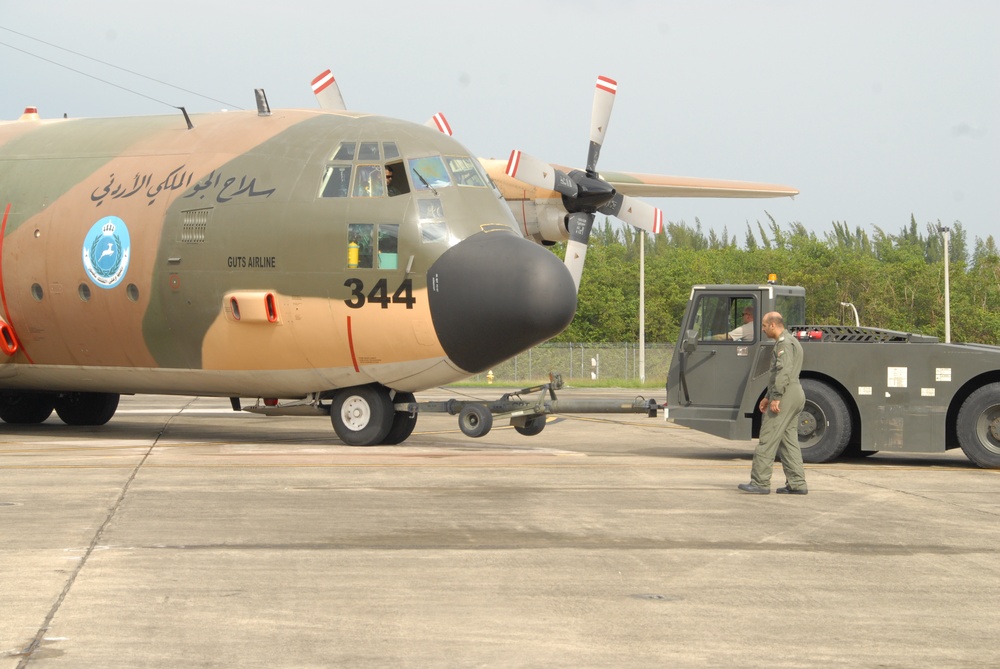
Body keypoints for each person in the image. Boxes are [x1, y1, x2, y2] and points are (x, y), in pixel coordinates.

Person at [738, 311, 808, 495]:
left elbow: (783, 372)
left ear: (773, 325)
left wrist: (776, 396)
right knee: (788, 440)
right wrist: (768, 396)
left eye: (763, 325)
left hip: (785, 394)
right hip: (795, 393)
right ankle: (797, 483)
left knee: (768, 438)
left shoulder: (784, 343)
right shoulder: (792, 341)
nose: (762, 329)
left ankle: (760, 482)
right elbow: (781, 374)